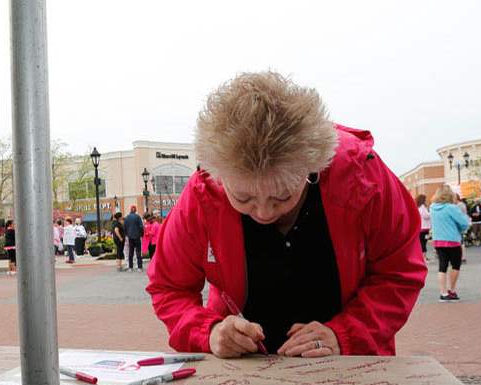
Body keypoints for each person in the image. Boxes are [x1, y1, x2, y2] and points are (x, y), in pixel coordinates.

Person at [147, 71, 426, 357]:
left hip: (347, 362)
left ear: (312, 167)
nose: (264, 213)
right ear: (218, 177)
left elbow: (399, 271)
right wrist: (209, 332)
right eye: (243, 197)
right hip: (245, 368)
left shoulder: (361, 176)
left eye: (282, 196)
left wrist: (346, 333)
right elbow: (169, 288)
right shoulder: (202, 196)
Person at [430, 185, 470, 302]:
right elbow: (464, 223)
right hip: (452, 240)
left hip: (438, 240)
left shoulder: (432, 208)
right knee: (455, 265)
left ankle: (443, 293)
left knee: (442, 266)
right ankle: (451, 290)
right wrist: (460, 229)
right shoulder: (451, 208)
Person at [124, 205, 144, 272]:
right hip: (137, 236)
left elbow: (125, 227)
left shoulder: (127, 218)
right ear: (135, 210)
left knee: (130, 252)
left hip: (130, 237)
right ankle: (139, 267)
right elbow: (141, 227)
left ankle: (130, 267)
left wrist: (127, 234)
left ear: (130, 210)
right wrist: (141, 234)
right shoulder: (138, 217)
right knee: (138, 252)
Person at [416, 194, 431, 261]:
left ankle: (423, 256)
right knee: (423, 242)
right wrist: (431, 213)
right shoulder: (422, 207)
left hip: (421, 228)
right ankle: (424, 257)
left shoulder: (418, 207)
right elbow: (426, 216)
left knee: (422, 242)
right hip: (424, 228)